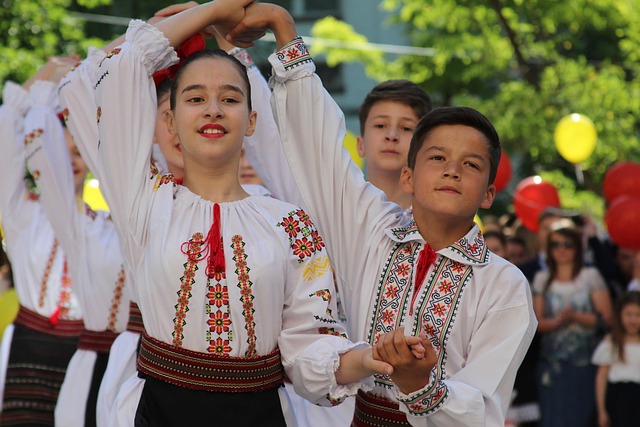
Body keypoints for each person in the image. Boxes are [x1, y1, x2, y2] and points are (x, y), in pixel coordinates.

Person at [90, 2, 408, 425]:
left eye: (230, 98)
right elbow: (122, 72)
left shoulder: (290, 224)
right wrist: (216, 9)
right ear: (169, 121)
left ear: (252, 120)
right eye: (195, 98)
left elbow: (309, 345)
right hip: (159, 412)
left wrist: (368, 358)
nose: (213, 110)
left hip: (260, 414)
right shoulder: (145, 200)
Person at [225, 4, 537, 425]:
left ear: (489, 194)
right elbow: (319, 151)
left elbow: (484, 409)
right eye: (438, 157)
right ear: (408, 176)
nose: (452, 170)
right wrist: (284, 31)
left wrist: (420, 385)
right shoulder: (372, 229)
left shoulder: (504, 285)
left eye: (471, 164)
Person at [23, 69, 131, 426]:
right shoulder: (74, 221)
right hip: (65, 350)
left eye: (76, 153)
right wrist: (48, 89)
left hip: (137, 363)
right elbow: (35, 152)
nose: (69, 161)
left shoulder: (158, 217)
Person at [0, 69, 83, 426]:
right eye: (58, 151)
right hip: (28, 346)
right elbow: (6, 133)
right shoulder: (24, 212)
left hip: (88, 350)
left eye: (78, 152)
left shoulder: (108, 221)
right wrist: (42, 79)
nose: (70, 161)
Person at [532, 222, 613, 427]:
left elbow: (608, 319)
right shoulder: (542, 279)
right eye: (556, 244)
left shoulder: (590, 276)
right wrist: (559, 322)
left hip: (585, 365)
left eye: (568, 244)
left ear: (578, 247)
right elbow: (536, 323)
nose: (562, 249)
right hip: (552, 366)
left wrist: (576, 317)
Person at [356, 80, 432, 211]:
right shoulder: (335, 216)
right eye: (380, 125)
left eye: (406, 128)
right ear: (361, 145)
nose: (392, 135)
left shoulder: (440, 224)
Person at [592, 291, 640, 427]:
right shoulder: (611, 343)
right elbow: (601, 377)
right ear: (620, 315)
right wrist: (601, 411)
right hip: (617, 399)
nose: (633, 320)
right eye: (629, 314)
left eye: (637, 315)